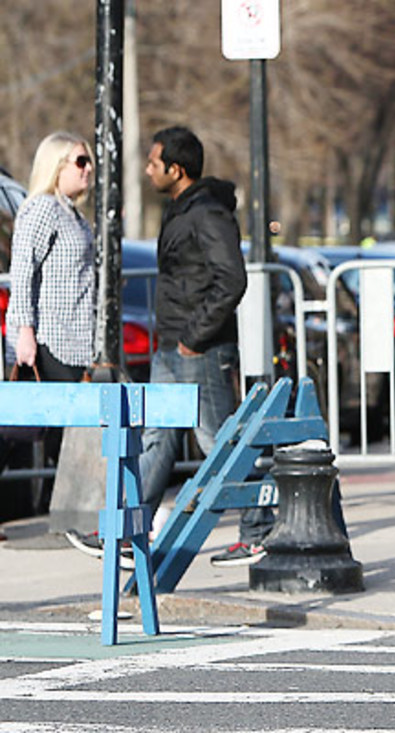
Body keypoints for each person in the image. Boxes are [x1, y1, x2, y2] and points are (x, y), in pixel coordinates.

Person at [63, 127, 266, 565]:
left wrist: (194, 339)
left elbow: (232, 279)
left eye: (154, 163)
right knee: (155, 439)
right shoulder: (180, 210)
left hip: (200, 348)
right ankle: (128, 532)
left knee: (216, 439)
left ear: (177, 170)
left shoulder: (207, 213)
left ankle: (259, 527)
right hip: (171, 345)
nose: (148, 169)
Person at [3, 132, 96, 513]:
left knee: (63, 429)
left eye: (89, 161)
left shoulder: (70, 211)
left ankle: (72, 512)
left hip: (76, 336)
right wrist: (24, 331)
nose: (88, 169)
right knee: (49, 427)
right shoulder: (40, 209)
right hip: (50, 337)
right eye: (79, 162)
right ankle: (76, 513)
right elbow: (22, 270)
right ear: (56, 166)